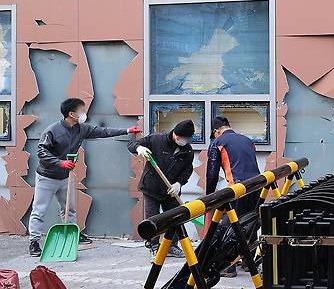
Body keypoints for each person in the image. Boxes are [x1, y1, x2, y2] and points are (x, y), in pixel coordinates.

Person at [28, 98, 141, 256]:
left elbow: (103, 131)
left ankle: (72, 233)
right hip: (47, 177)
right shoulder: (52, 130)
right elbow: (41, 152)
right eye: (82, 110)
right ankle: (34, 242)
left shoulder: (81, 129)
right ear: (72, 114)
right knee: (39, 210)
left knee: (69, 209)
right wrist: (59, 163)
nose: (84, 113)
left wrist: (127, 130)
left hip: (66, 177)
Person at [128, 120, 195, 258]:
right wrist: (139, 148)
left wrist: (179, 184)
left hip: (171, 191)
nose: (185, 141)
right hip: (151, 188)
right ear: (176, 135)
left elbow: (187, 170)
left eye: (188, 139)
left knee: (174, 218)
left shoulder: (188, 150)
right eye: (183, 138)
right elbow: (131, 144)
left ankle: (172, 246)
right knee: (153, 219)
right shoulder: (156, 139)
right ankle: (154, 246)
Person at [205, 116, 261, 276]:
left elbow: (212, 173)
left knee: (231, 227)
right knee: (250, 223)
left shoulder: (218, 143)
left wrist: (209, 199)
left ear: (216, 131)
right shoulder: (247, 140)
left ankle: (228, 266)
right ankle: (248, 262)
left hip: (239, 188)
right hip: (257, 186)